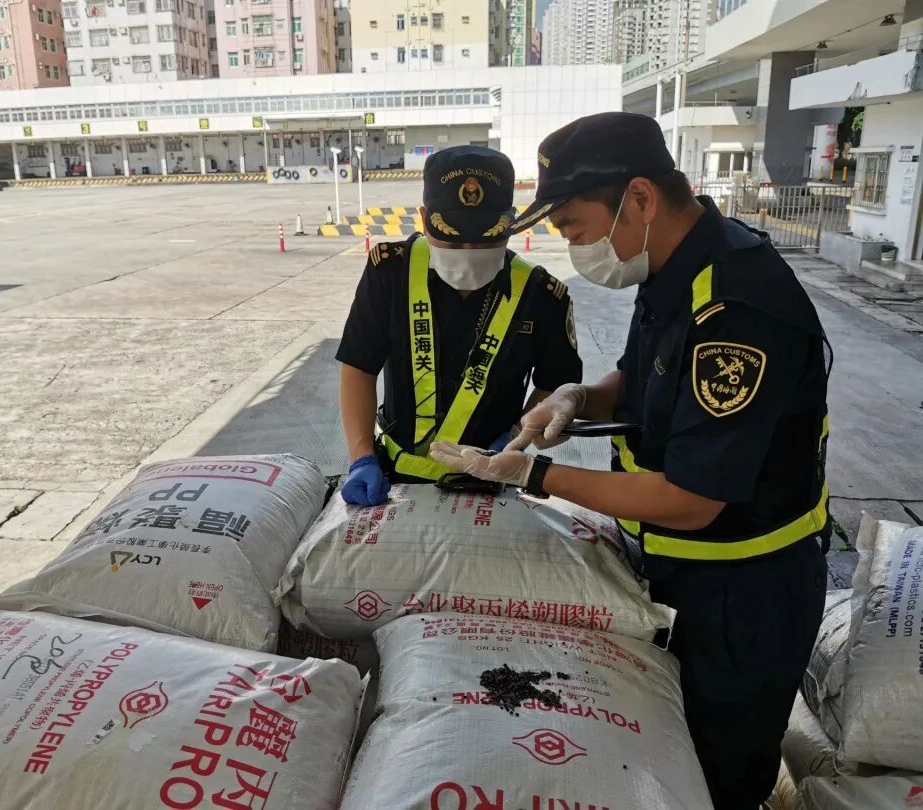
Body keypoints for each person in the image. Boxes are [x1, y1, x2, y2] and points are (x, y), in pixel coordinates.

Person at [430, 112, 830, 810]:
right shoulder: (674, 266)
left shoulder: (737, 309)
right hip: (680, 569)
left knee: (719, 773)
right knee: (668, 764)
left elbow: (693, 499)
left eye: (574, 227)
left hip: (744, 594)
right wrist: (578, 398)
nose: (572, 246)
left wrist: (535, 475)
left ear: (639, 198)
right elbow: (644, 377)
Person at [337, 144, 583, 506]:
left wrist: (516, 436)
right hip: (393, 477)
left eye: (485, 240)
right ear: (424, 219)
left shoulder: (541, 294)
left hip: (493, 478)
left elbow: (556, 384)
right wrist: (361, 457)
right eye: (452, 239)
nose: (468, 253)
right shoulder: (390, 272)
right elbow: (359, 365)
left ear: (511, 222)